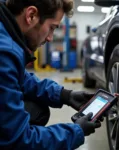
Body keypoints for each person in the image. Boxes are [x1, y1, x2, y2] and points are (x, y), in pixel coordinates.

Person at [0, 0, 102, 149]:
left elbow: (20, 78)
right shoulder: (5, 52)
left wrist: (64, 95)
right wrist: (76, 131)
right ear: (31, 15)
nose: (50, 38)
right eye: (52, 28)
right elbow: (19, 140)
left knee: (37, 110)